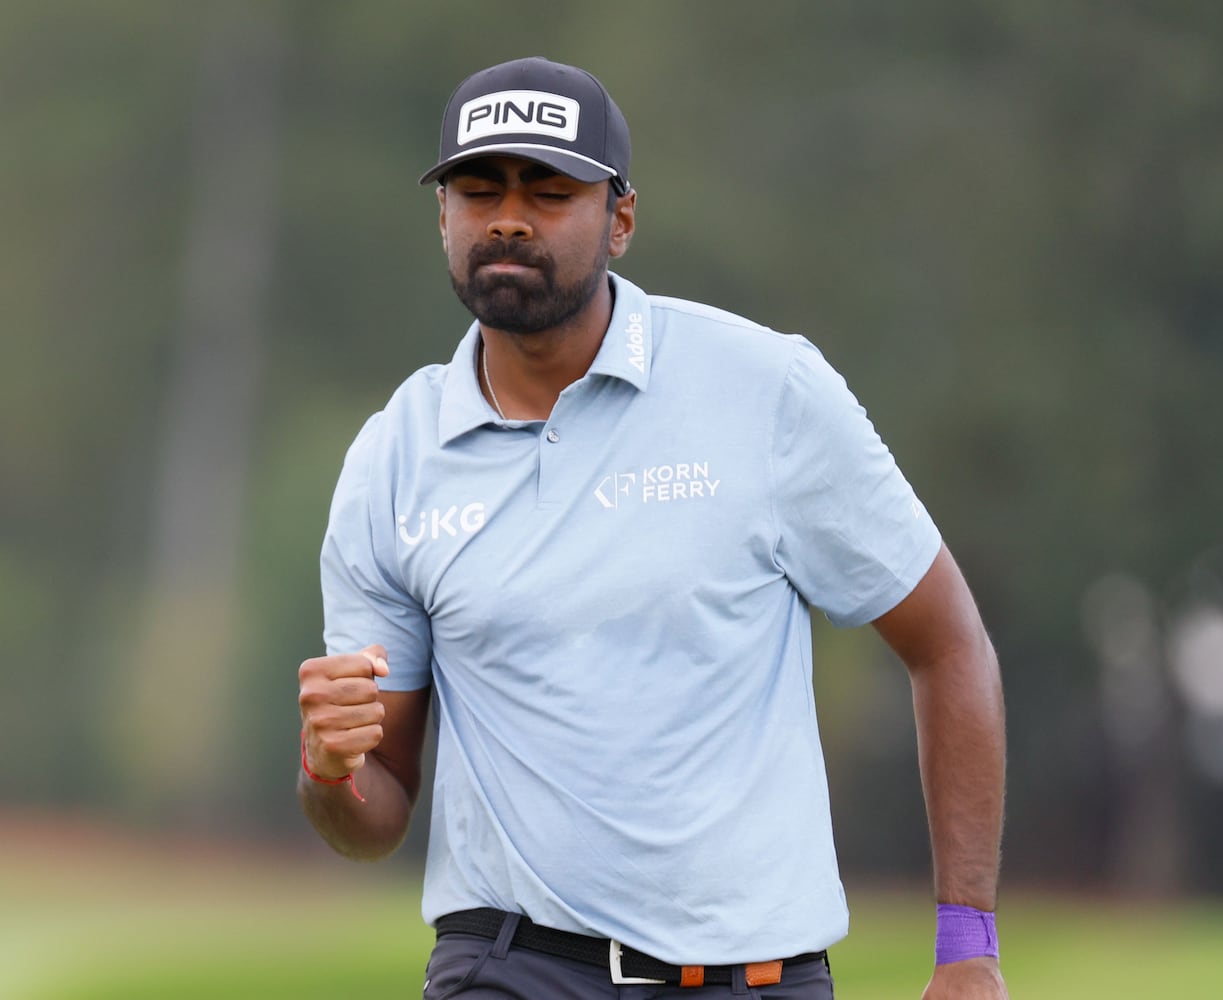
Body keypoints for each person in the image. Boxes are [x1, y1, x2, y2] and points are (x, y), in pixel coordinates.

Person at [298, 56, 1009, 1000]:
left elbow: (948, 645)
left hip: (755, 978)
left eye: (550, 192)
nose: (508, 217)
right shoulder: (393, 458)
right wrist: (328, 769)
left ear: (621, 220)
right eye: (478, 190)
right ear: (443, 219)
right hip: (508, 967)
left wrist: (967, 945)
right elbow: (375, 811)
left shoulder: (767, 391)